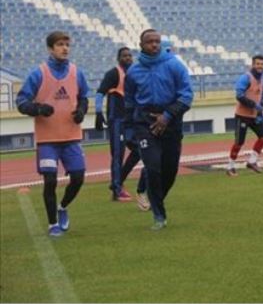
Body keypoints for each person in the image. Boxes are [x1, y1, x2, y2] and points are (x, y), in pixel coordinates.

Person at [16, 31, 90, 237]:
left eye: (67, 44)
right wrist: (38, 108)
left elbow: (84, 97)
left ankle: (62, 206)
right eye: (60, 44)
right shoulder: (38, 73)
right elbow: (21, 102)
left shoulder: (76, 72)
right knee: (50, 181)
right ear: (50, 48)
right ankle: (52, 224)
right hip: (47, 140)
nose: (65, 48)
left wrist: (81, 111)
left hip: (71, 137)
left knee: (78, 178)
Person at [123, 29, 193, 230]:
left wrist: (167, 115)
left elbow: (187, 96)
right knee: (152, 167)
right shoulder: (133, 72)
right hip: (145, 124)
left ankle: (156, 200)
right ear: (141, 45)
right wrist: (129, 131)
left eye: (157, 41)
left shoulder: (175, 65)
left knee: (170, 171)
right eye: (149, 42)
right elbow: (129, 102)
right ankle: (159, 215)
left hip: (171, 123)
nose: (154, 45)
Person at [95, 47, 145, 203]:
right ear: (118, 58)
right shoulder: (113, 74)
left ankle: (117, 181)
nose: (128, 58)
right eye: (124, 56)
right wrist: (98, 112)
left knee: (138, 150)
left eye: (130, 55)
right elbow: (100, 92)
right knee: (118, 155)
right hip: (117, 120)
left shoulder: (135, 74)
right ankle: (117, 191)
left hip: (130, 121)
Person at [226, 55, 263, 176]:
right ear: (253, 65)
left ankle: (252, 161)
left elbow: (262, 97)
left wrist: (260, 112)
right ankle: (230, 167)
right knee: (239, 142)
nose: (260, 66)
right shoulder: (246, 78)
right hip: (242, 115)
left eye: (262, 64)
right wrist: (254, 105)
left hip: (254, 115)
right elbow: (239, 95)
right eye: (258, 64)